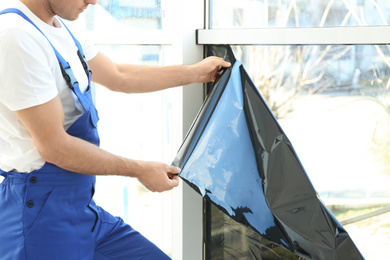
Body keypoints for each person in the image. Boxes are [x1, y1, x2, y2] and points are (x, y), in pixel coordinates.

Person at [0, 0, 231, 259]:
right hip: (39, 219)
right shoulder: (16, 36)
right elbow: (55, 147)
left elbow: (118, 75)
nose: (93, 1)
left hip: (81, 209)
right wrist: (139, 170)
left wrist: (195, 73)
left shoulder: (61, 26)